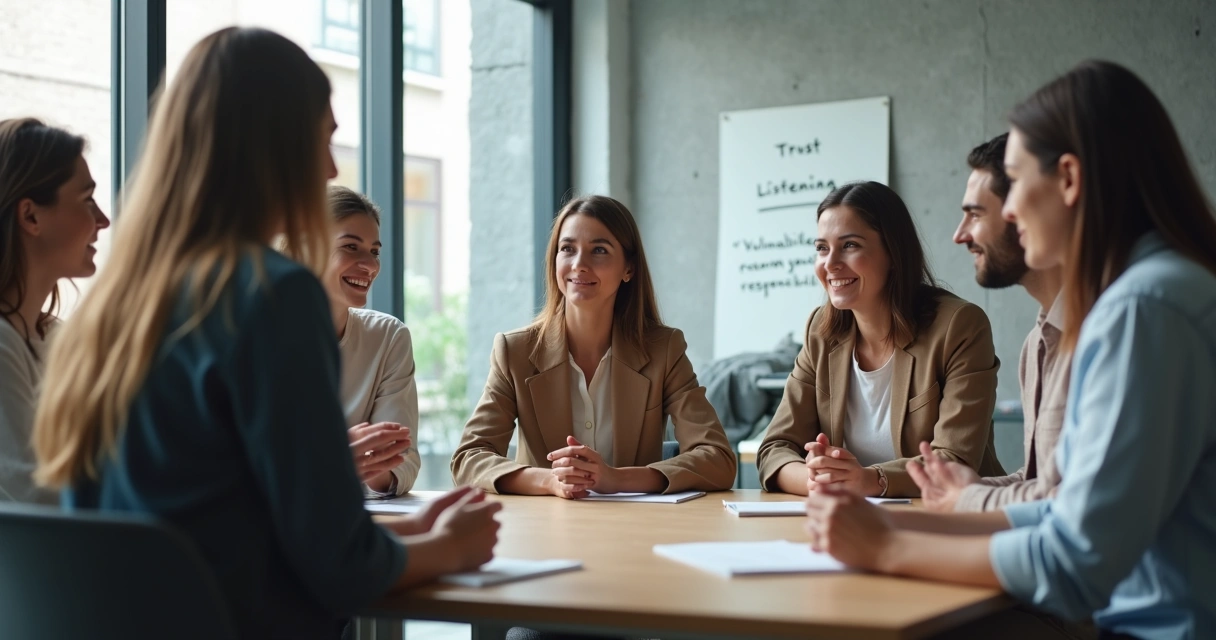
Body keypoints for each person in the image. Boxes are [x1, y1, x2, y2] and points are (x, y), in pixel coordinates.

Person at [31, 28, 499, 639]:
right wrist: (452, 547)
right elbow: (340, 568)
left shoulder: (113, 307)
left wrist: (415, 530)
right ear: (272, 147)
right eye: (322, 140)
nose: (331, 167)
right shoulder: (273, 295)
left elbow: (220, 527)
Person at [806, 60, 1216, 640]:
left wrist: (888, 547)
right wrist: (912, 526)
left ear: (1068, 179)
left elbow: (1075, 560)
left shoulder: (1142, 308)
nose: (1011, 210)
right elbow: (1067, 508)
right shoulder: (1154, 294)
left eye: (1016, 182)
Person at [451, 195, 736, 498]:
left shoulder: (663, 350)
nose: (579, 265)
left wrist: (617, 479)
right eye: (567, 249)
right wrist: (550, 481)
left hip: (637, 522)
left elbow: (718, 459)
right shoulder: (515, 352)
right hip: (544, 522)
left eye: (599, 250)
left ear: (629, 268)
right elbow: (468, 459)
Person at [757, 181, 1004, 498]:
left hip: (956, 517)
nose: (830, 264)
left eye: (849, 245)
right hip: (857, 516)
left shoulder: (959, 326)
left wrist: (871, 481)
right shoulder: (820, 331)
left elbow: (955, 461)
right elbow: (774, 448)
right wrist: (819, 479)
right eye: (821, 248)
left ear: (893, 252)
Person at [916, 133, 1069, 512]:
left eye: (976, 213)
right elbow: (1038, 483)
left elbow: (1073, 501)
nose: (959, 235)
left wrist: (967, 498)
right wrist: (959, 490)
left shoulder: (1118, 323)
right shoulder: (1037, 343)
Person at [0, 118, 110, 504]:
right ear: (31, 217)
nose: (103, 220)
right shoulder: (3, 345)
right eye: (87, 200)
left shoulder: (57, 340)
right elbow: (35, 492)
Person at [323, 186, 421, 496]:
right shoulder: (256, 335)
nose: (371, 265)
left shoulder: (388, 337)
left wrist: (369, 467)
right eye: (351, 247)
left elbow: (404, 463)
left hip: (356, 516)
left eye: (375, 251)